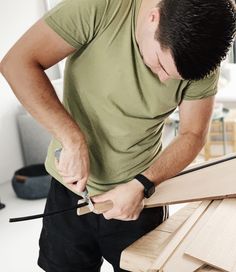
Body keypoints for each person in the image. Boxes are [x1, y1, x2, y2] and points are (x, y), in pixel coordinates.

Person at [1, 0, 235, 271]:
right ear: (153, 19)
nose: (162, 81)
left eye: (175, 78)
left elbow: (193, 134)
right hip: (69, 193)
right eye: (160, 64)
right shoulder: (99, 6)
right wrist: (72, 140)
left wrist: (142, 183)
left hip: (139, 198)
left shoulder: (204, 54)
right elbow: (16, 63)